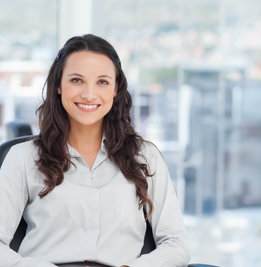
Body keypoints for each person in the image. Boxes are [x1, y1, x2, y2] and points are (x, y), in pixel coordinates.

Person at [0, 34, 190, 267]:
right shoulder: (22, 158)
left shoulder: (145, 157)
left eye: (102, 82)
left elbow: (176, 243)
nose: (89, 94)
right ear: (58, 85)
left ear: (115, 89)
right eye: (77, 80)